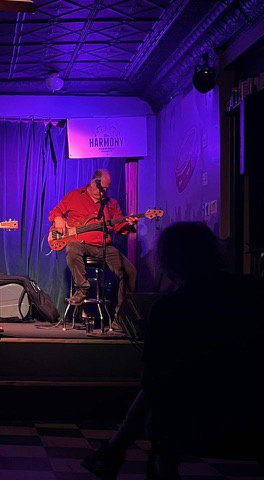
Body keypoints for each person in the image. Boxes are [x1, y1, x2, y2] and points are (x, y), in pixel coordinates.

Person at [82, 222, 264, 479]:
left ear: (167, 261)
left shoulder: (170, 308)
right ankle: (117, 450)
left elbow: (153, 381)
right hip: (252, 416)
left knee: (164, 395)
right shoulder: (253, 292)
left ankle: (128, 455)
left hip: (187, 422)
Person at [48, 169, 137, 311]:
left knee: (130, 272)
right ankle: (83, 288)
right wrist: (58, 218)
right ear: (93, 183)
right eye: (102, 188)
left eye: (107, 189)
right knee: (72, 248)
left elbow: (120, 227)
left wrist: (129, 223)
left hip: (104, 247)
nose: (104, 192)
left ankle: (121, 317)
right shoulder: (74, 196)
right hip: (82, 244)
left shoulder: (111, 203)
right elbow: (56, 211)